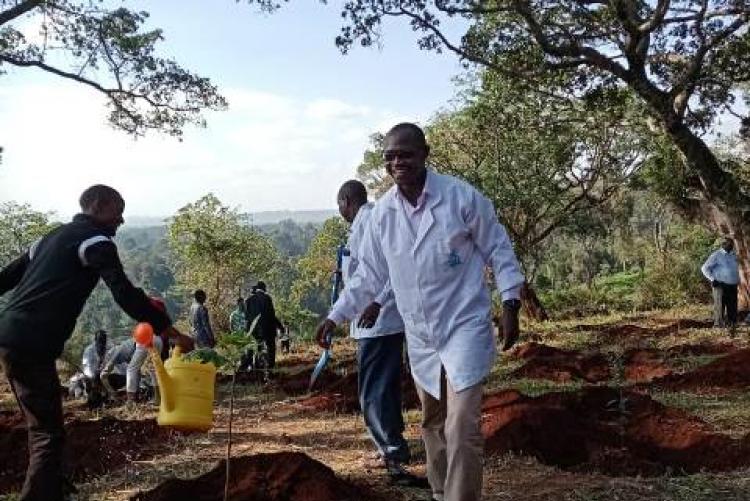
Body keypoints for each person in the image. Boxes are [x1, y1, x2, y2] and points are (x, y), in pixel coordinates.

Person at [317, 123, 525, 501]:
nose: (398, 162)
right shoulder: (383, 215)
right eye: (390, 157)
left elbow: (499, 248)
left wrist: (510, 301)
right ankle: (440, 492)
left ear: (424, 153)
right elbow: (368, 275)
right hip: (421, 335)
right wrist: (335, 315)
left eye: (406, 154)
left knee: (461, 424)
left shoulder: (460, 198)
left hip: (464, 325)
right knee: (431, 422)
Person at [0, 184, 193, 501]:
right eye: (118, 210)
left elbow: (4, 280)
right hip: (31, 342)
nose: (121, 220)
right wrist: (171, 333)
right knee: (46, 433)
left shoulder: (48, 238)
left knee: (44, 424)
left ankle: (55, 488)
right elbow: (125, 294)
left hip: (10, 337)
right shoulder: (96, 241)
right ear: (98, 206)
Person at [336, 179, 418, 485]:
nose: (341, 211)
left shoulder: (370, 220)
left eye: (340, 205)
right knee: (383, 386)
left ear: (346, 201)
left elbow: (391, 270)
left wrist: (377, 303)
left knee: (374, 390)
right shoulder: (362, 223)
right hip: (374, 320)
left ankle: (393, 452)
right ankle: (390, 446)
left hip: (379, 323)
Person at [702, 237, 741, 328]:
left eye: (732, 244)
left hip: (732, 285)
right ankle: (718, 325)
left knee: (732, 306)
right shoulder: (716, 255)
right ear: (723, 244)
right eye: (729, 244)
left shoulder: (733, 255)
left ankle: (732, 324)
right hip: (720, 284)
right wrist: (712, 279)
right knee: (720, 306)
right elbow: (704, 268)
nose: (731, 245)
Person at [245, 281, 283, 369]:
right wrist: (280, 326)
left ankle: (253, 365)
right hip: (268, 329)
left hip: (254, 329)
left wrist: (247, 331)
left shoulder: (248, 300)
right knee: (271, 347)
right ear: (264, 289)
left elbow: (247, 318)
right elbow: (271, 315)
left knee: (255, 347)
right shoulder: (267, 298)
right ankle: (271, 365)